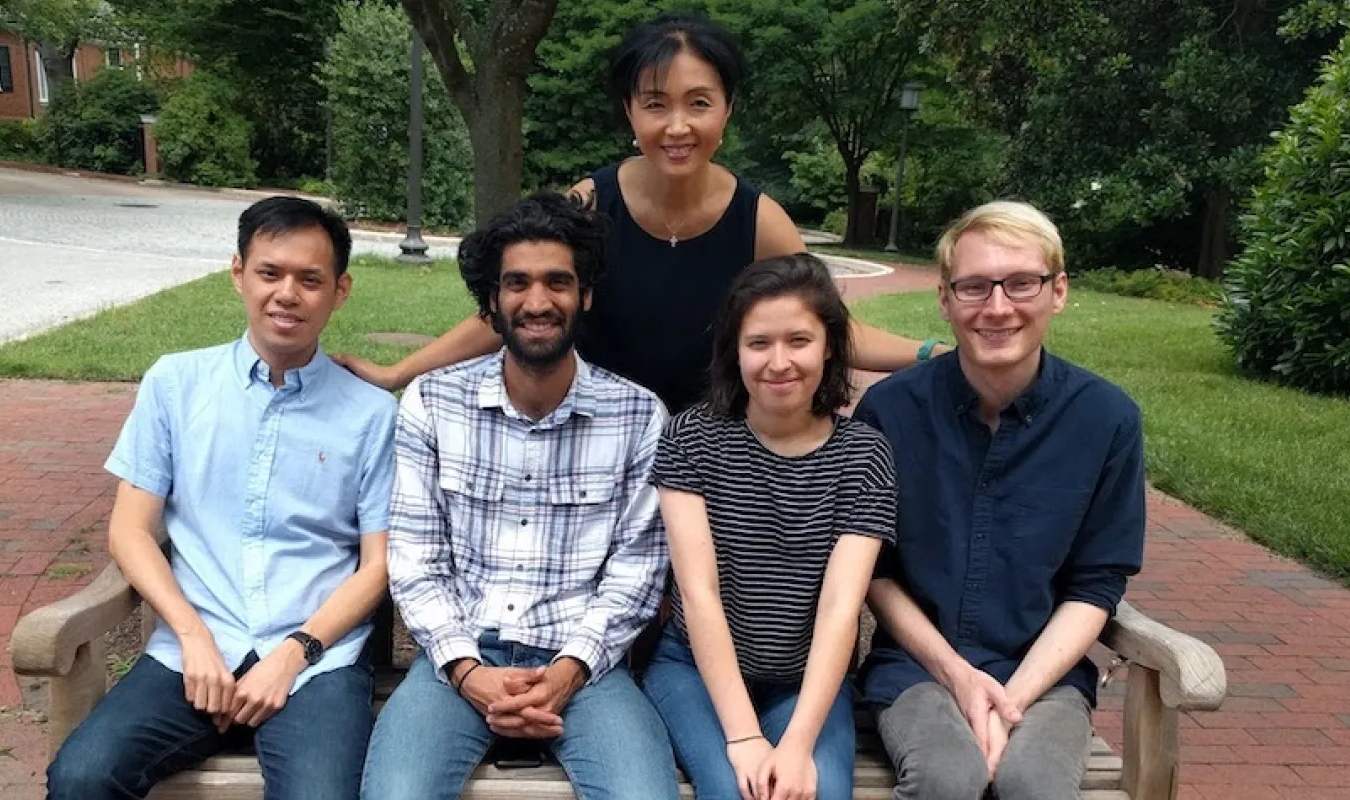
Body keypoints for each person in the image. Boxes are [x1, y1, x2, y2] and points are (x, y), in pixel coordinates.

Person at [334, 11, 945, 413]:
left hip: (711, 444)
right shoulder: (590, 204)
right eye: (655, 104)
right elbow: (521, 305)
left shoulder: (759, 221)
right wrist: (399, 372)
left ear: (727, 109)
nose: (677, 126)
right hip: (597, 436)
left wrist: (932, 353)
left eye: (699, 103)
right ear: (630, 111)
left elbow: (824, 327)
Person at [45, 197, 396, 799]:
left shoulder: (371, 413)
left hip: (316, 660)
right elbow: (130, 530)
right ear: (238, 273)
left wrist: (294, 653)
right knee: (83, 777)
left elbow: (379, 564)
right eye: (269, 273)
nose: (287, 294)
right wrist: (191, 635)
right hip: (194, 647)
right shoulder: (176, 384)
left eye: (310, 280)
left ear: (340, 291)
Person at [360, 192, 680, 800]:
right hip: (458, 659)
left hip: (586, 667)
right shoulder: (433, 402)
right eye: (517, 283)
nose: (538, 302)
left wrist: (567, 672)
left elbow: (636, 573)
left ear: (585, 295)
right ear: (492, 300)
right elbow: (417, 561)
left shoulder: (638, 416)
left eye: (558, 281)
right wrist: (468, 672)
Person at [853, 201, 1146, 799]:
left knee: (1035, 785)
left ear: (1058, 291)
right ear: (945, 299)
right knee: (945, 777)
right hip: (917, 668)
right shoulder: (890, 411)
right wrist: (960, 678)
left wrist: (1010, 701)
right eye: (974, 286)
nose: (997, 307)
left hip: (1045, 673)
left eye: (1021, 283)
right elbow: (874, 570)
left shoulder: (1106, 419)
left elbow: (1096, 584)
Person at [642, 253, 896, 800]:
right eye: (758, 343)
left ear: (829, 346)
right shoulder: (692, 439)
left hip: (805, 682)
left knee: (817, 790)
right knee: (734, 789)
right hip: (693, 670)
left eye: (799, 341)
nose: (779, 362)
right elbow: (699, 593)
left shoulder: (863, 455)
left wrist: (798, 744)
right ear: (734, 350)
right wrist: (743, 737)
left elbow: (841, 608)